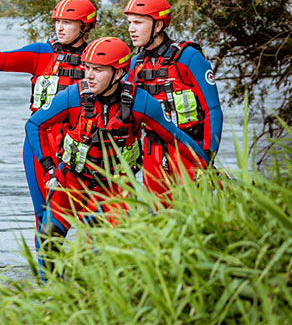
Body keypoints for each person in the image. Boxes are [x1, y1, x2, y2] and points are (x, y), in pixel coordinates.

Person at [25, 37, 210, 273]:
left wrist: (206, 165)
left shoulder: (141, 102)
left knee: (108, 253)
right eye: (87, 68)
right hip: (73, 180)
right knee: (48, 238)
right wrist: (48, 165)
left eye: (98, 70)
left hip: (115, 186)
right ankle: (50, 295)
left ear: (119, 73)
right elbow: (34, 125)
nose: (89, 76)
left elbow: (175, 137)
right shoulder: (72, 96)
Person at [0, 0, 97, 246]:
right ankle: (47, 280)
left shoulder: (99, 59)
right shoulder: (41, 53)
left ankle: (97, 273)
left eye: (67, 22)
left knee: (93, 215)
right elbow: (3, 60)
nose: (59, 27)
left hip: (82, 144)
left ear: (85, 26)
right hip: (40, 142)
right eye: (57, 21)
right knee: (44, 217)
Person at [124, 0, 223, 202]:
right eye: (130, 22)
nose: (131, 29)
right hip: (153, 155)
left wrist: (207, 157)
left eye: (138, 22)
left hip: (189, 150)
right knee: (159, 222)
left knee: (195, 219)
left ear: (158, 25)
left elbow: (212, 110)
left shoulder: (188, 57)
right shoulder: (135, 65)